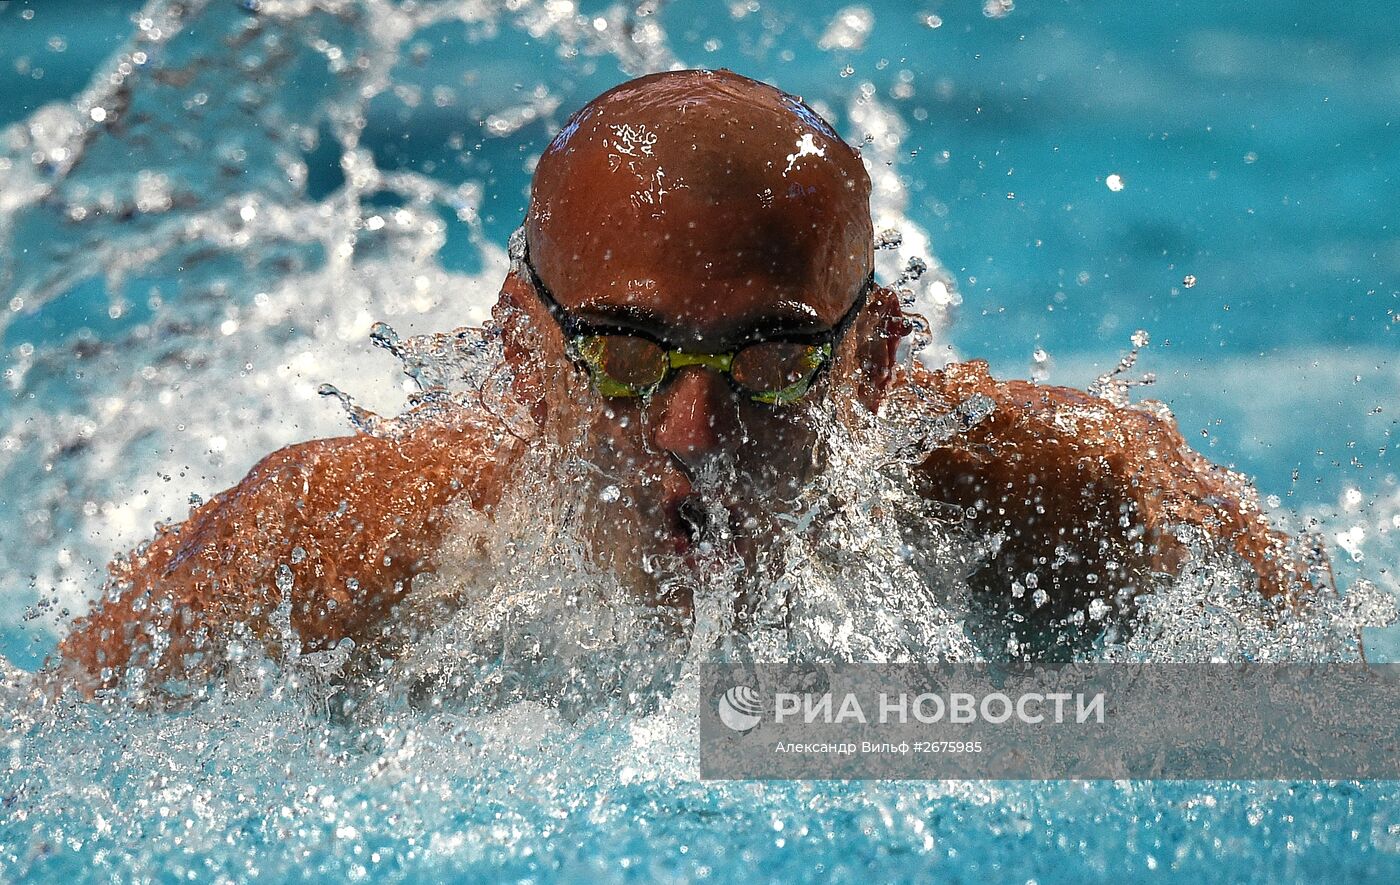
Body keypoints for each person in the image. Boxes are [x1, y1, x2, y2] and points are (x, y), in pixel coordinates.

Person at [58, 69, 1314, 691]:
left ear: (868, 364)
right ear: (522, 356)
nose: (692, 428)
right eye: (619, 352)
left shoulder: (1062, 499)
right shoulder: (330, 553)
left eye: (769, 359)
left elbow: (1321, 686)